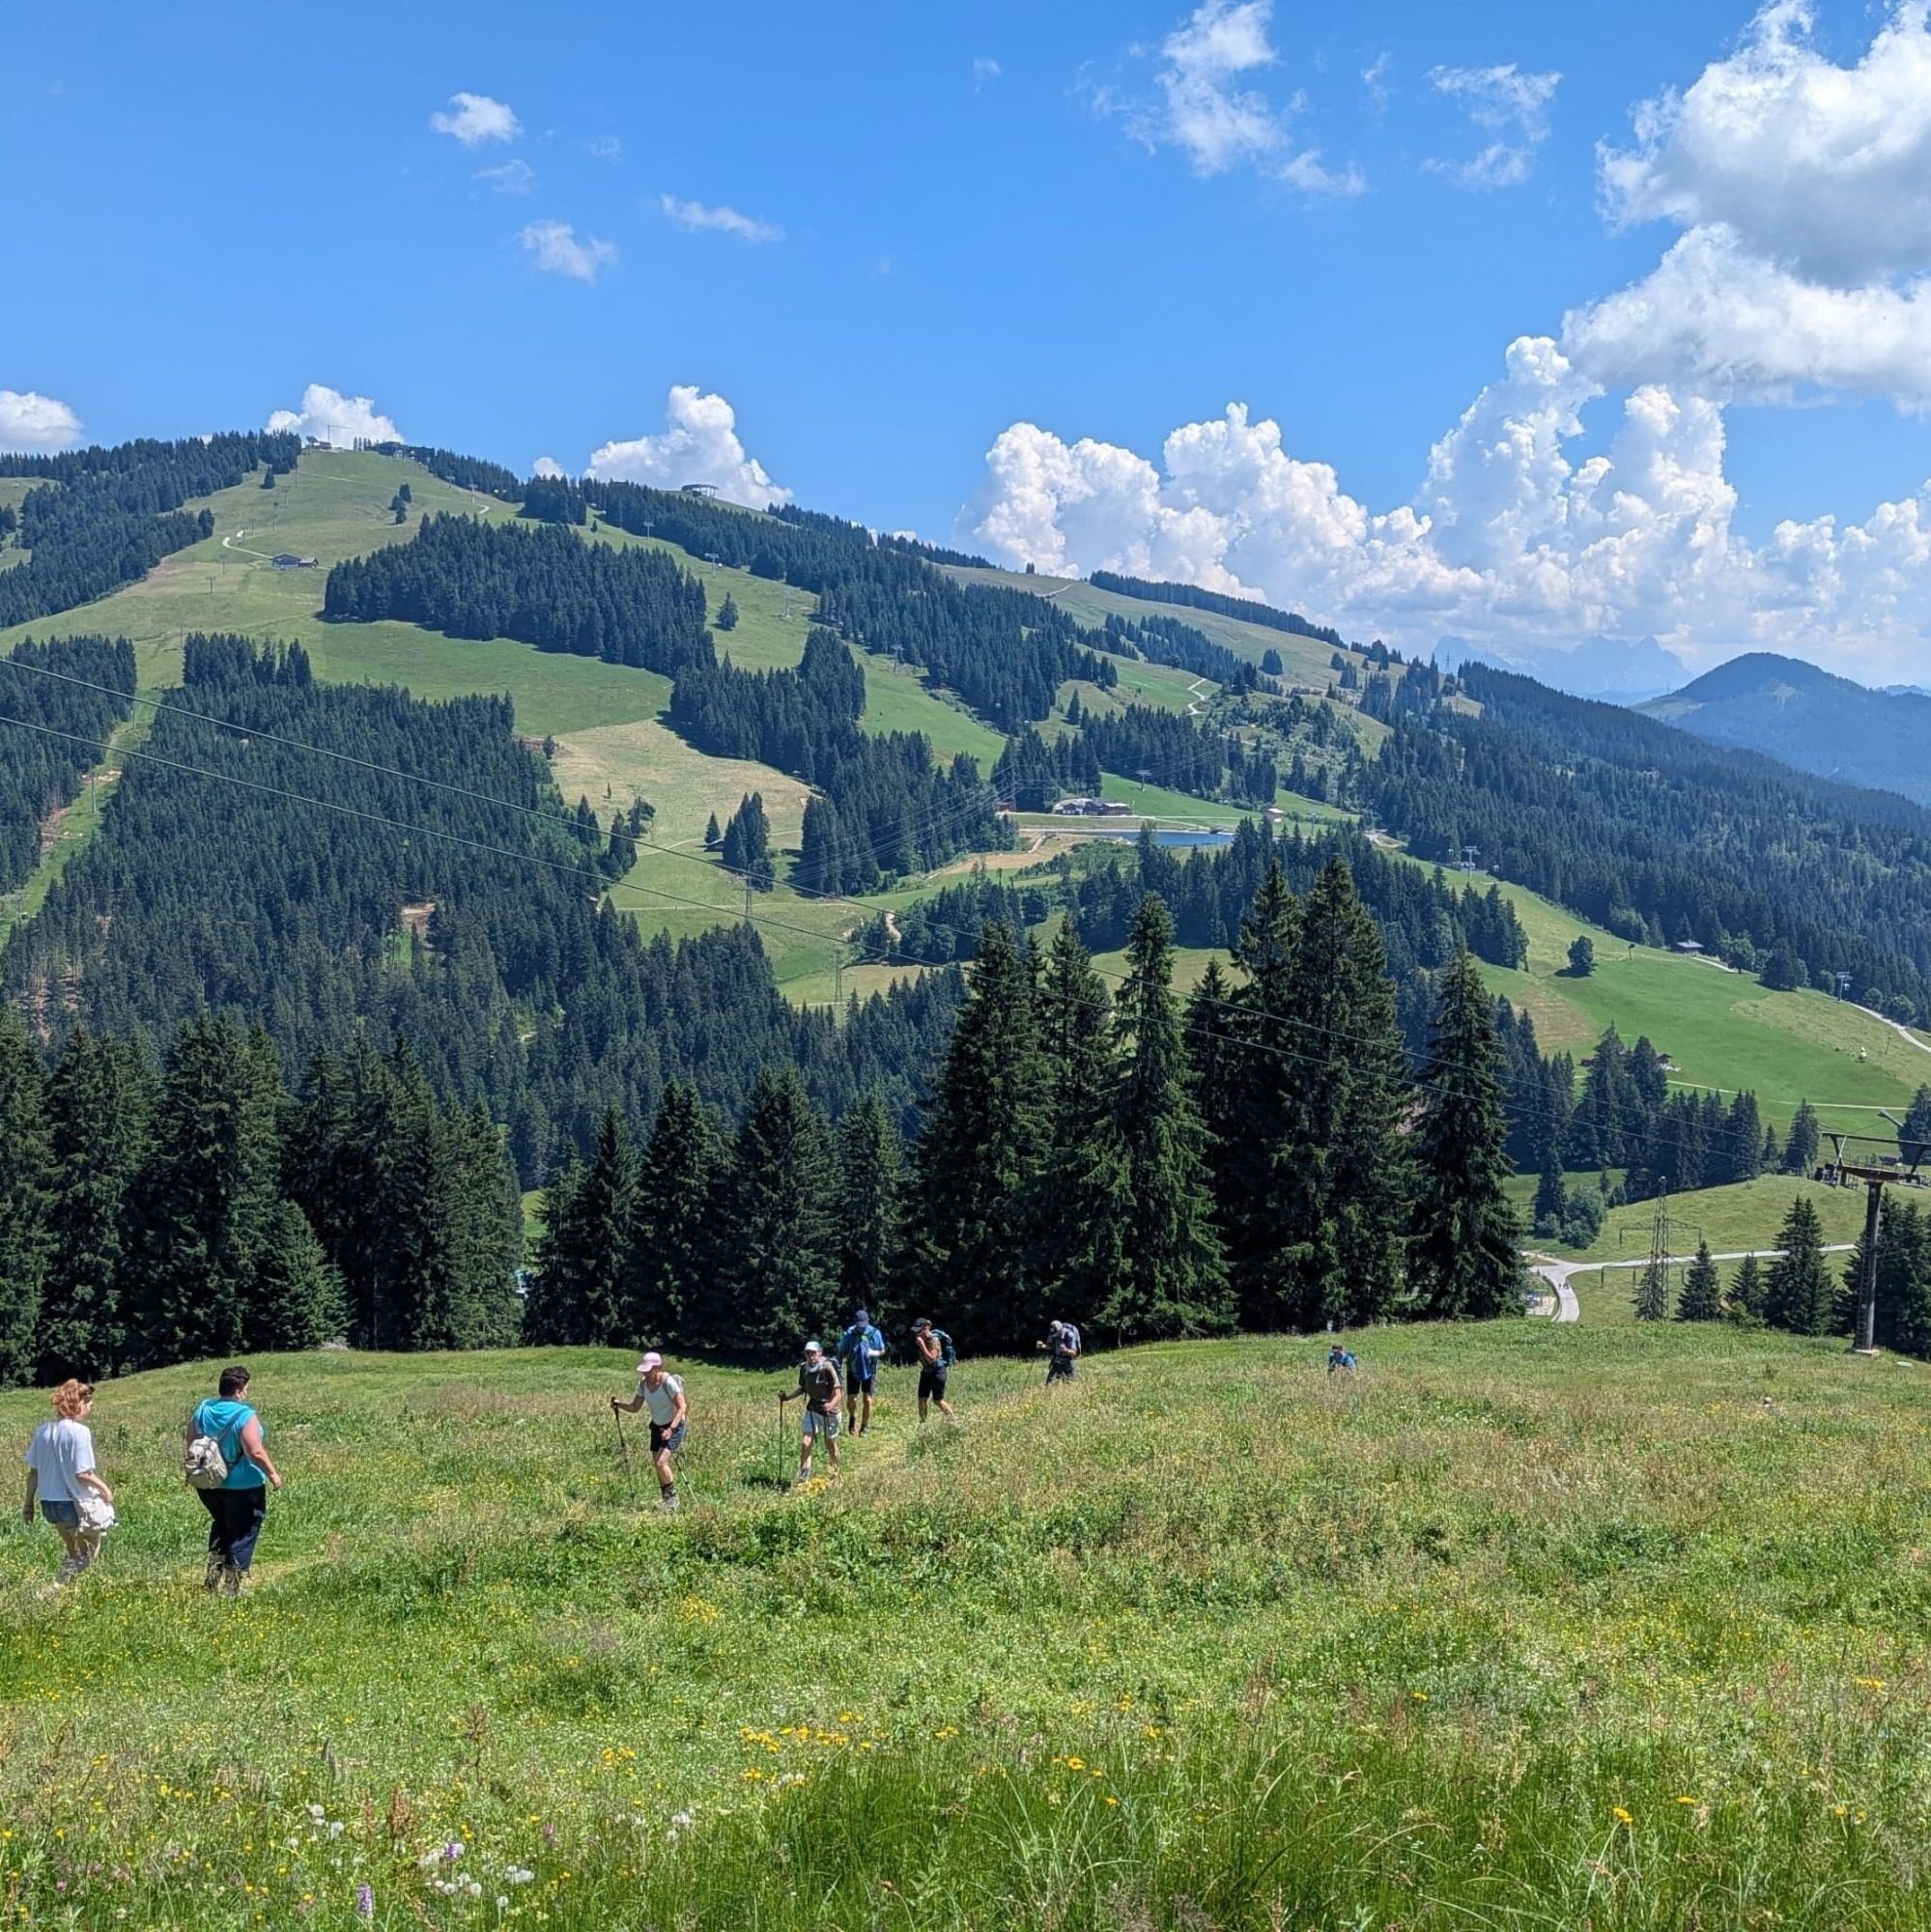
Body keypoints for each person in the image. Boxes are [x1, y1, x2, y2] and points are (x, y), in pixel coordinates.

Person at [185, 1364, 282, 1595]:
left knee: (222, 1524)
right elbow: (255, 1451)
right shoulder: (244, 1415)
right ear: (239, 1390)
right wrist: (273, 1474)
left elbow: (190, 1440)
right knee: (243, 1531)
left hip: (208, 1484)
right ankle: (231, 1587)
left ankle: (212, 1577)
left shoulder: (203, 1409)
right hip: (243, 1487)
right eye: (246, 1388)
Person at [22, 1379, 113, 1588]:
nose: (91, 1407)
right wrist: (105, 1489)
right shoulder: (79, 1432)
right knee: (89, 1551)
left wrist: (28, 1505)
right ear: (79, 1404)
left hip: (48, 1504)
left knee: (74, 1553)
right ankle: (54, 1590)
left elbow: (33, 1472)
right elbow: (83, 1473)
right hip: (70, 1503)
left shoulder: (43, 1431)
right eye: (89, 1403)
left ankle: (68, 1591)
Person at [612, 1351, 688, 1513]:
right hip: (657, 1427)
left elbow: (682, 1408)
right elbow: (635, 1407)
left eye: (648, 1370)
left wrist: (671, 1429)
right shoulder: (643, 1384)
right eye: (643, 1370)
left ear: (658, 1367)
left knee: (661, 1462)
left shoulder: (668, 1382)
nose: (645, 1373)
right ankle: (666, 1500)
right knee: (657, 1465)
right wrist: (619, 1405)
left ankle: (673, 1501)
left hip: (674, 1426)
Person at [778, 1340, 841, 1481]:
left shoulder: (828, 1367)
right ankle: (803, 1477)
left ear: (819, 1352)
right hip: (813, 1409)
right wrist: (787, 1398)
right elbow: (803, 1388)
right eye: (807, 1353)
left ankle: (836, 1474)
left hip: (831, 1412)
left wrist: (831, 1404)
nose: (810, 1356)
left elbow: (838, 1393)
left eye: (813, 1352)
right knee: (805, 1443)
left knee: (830, 1444)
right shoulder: (804, 1369)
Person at [836, 1308, 886, 1435]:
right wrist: (838, 1367)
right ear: (855, 1322)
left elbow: (882, 1350)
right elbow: (841, 1350)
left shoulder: (875, 1333)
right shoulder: (849, 1334)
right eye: (859, 1325)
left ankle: (864, 1426)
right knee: (852, 1399)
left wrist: (873, 1353)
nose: (862, 1327)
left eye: (864, 1325)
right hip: (853, 1369)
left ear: (868, 1321)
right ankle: (852, 1417)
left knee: (867, 1399)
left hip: (870, 1370)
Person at [911, 1319, 955, 1424]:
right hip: (926, 1372)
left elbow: (932, 1359)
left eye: (919, 1331)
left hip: (938, 1371)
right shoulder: (921, 1339)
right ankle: (922, 1423)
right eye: (916, 1331)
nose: (917, 1334)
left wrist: (922, 1345)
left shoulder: (934, 1340)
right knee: (922, 1399)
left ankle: (953, 1420)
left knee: (938, 1400)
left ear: (926, 1328)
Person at [1037, 1319, 1081, 1384]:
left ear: (1061, 1329)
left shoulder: (1069, 1335)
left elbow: (1074, 1353)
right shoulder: (1052, 1333)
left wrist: (1066, 1350)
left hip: (1068, 1363)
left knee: (1069, 1384)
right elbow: (1051, 1346)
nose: (1055, 1336)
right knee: (1048, 1384)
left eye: (1057, 1334)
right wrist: (1042, 1346)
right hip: (1056, 1361)